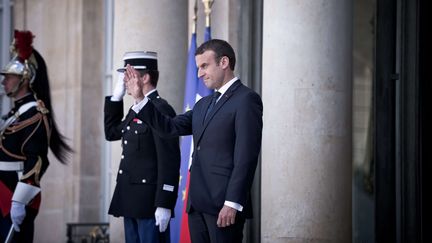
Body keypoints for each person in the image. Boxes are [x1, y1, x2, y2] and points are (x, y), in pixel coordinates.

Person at [125, 39, 263, 243]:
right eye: (198, 67)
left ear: (224, 62)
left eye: (204, 66)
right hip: (196, 205)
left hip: (223, 206)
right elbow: (169, 127)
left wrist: (232, 203)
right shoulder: (203, 104)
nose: (199, 74)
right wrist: (140, 99)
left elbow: (246, 157)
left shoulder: (246, 99)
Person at [0, 30, 72, 242]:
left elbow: (37, 160)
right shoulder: (16, 113)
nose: (4, 82)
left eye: (9, 77)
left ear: (25, 79)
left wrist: (19, 201)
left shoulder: (35, 115)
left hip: (13, 192)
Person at [104, 51, 180, 243]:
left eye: (129, 75)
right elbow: (112, 132)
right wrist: (115, 97)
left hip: (149, 203)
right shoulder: (136, 108)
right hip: (131, 201)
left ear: (145, 77)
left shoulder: (160, 109)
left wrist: (165, 202)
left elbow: (169, 159)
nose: (125, 80)